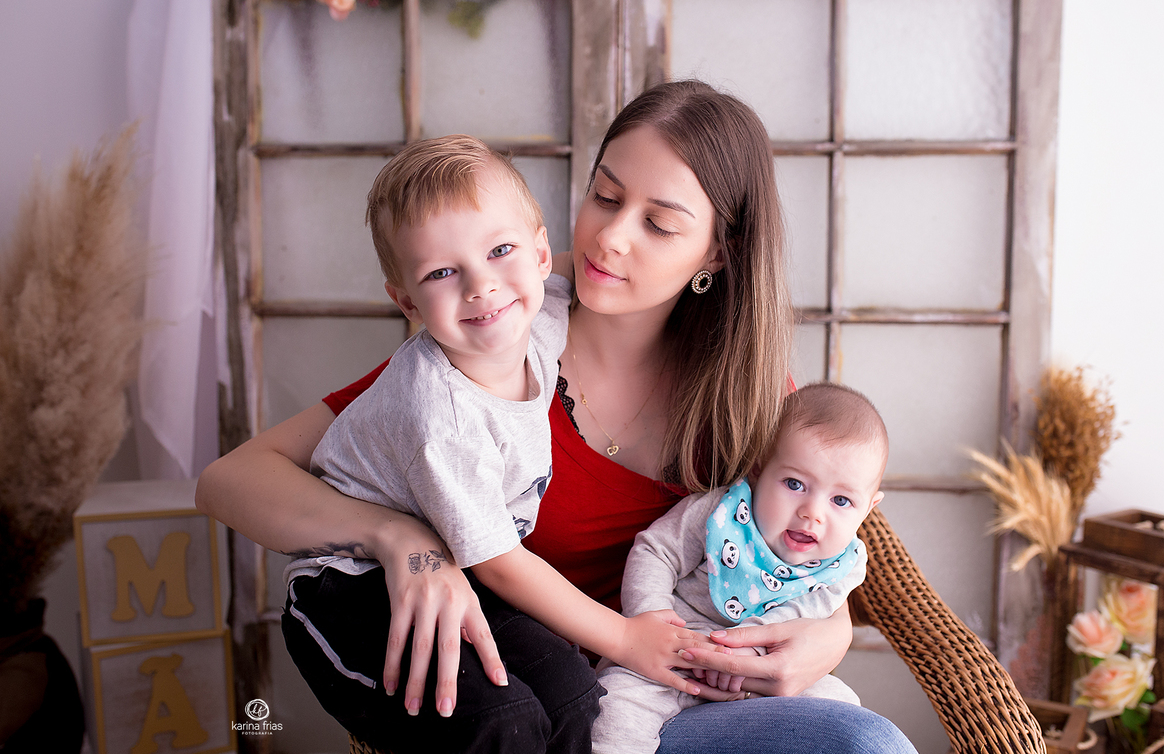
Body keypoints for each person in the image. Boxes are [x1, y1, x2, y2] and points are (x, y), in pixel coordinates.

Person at [197, 79, 917, 754]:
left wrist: (829, 635)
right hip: (550, 711)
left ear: (719, 252)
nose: (611, 239)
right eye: (605, 197)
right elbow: (232, 480)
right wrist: (400, 536)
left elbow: (828, 524)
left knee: (870, 743)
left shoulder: (748, 388)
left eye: (659, 225)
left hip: (685, 696)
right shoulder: (494, 333)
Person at [282, 134, 706, 752]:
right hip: (350, 587)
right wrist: (624, 639)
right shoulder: (440, 413)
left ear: (539, 254)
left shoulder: (540, 318)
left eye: (500, 251)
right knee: (497, 720)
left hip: (461, 569)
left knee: (573, 695)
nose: (482, 286)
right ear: (405, 301)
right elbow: (499, 563)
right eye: (442, 272)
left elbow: (568, 269)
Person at [591, 382, 889, 754]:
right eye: (794, 483)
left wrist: (746, 660)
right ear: (759, 470)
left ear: (869, 508)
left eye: (841, 500)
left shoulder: (842, 566)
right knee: (617, 711)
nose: (812, 512)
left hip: (761, 677)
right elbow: (656, 551)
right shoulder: (722, 514)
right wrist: (651, 615)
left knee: (843, 710)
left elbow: (804, 616)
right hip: (672, 656)